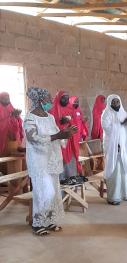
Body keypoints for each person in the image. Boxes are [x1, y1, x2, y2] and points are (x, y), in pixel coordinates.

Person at [24, 87, 77, 236]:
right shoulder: (30, 118)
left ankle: (50, 220)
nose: (50, 101)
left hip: (51, 159)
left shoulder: (50, 117)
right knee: (43, 192)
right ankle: (38, 222)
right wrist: (58, 135)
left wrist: (66, 134)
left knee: (53, 192)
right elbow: (32, 138)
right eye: (47, 99)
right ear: (40, 100)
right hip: (38, 161)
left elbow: (56, 135)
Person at [101, 95, 127, 205]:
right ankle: (114, 197)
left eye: (118, 101)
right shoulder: (106, 113)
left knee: (126, 171)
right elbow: (107, 128)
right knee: (116, 172)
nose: (116, 103)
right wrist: (121, 124)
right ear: (110, 103)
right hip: (114, 148)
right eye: (114, 101)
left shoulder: (123, 112)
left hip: (125, 148)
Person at [0, 92, 24, 156]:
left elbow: (17, 121)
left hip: (13, 137)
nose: (7, 99)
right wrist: (10, 117)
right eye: (4, 98)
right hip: (3, 137)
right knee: (4, 157)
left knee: (13, 155)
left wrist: (16, 116)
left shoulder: (10, 107)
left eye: (8, 98)